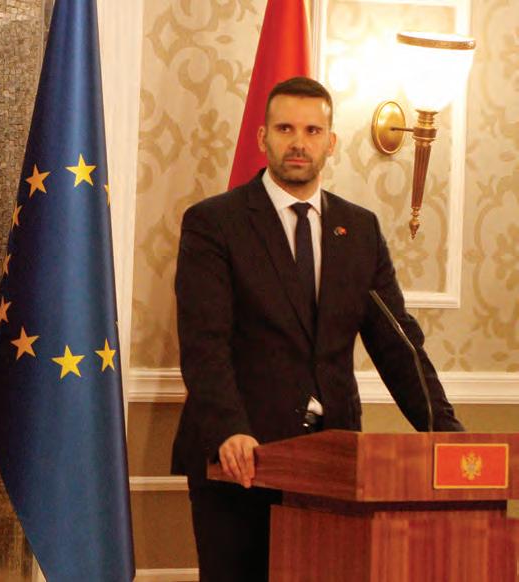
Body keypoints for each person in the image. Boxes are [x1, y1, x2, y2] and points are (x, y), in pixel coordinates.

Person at [170, 77, 464, 582]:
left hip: (334, 466)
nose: (298, 143)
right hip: (243, 461)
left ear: (331, 142)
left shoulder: (360, 229)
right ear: (263, 137)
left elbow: (398, 344)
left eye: (312, 131)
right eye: (285, 129)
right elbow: (204, 343)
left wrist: (447, 434)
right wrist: (229, 428)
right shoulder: (215, 223)